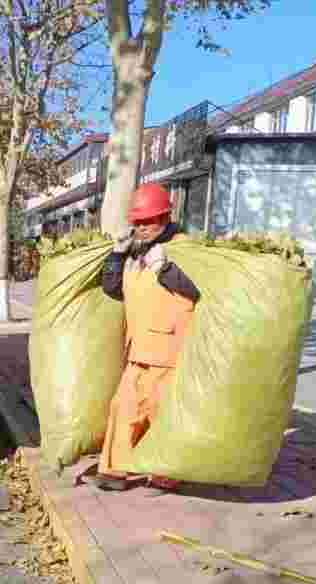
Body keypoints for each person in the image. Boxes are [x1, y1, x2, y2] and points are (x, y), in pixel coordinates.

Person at [90, 182, 200, 495]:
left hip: (170, 348)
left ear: (165, 217)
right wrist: (116, 254)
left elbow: (198, 288)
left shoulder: (185, 248)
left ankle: (165, 474)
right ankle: (114, 472)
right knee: (123, 407)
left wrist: (166, 268)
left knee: (159, 411)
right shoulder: (136, 252)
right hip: (139, 347)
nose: (142, 227)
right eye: (137, 222)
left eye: (148, 221)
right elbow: (113, 290)